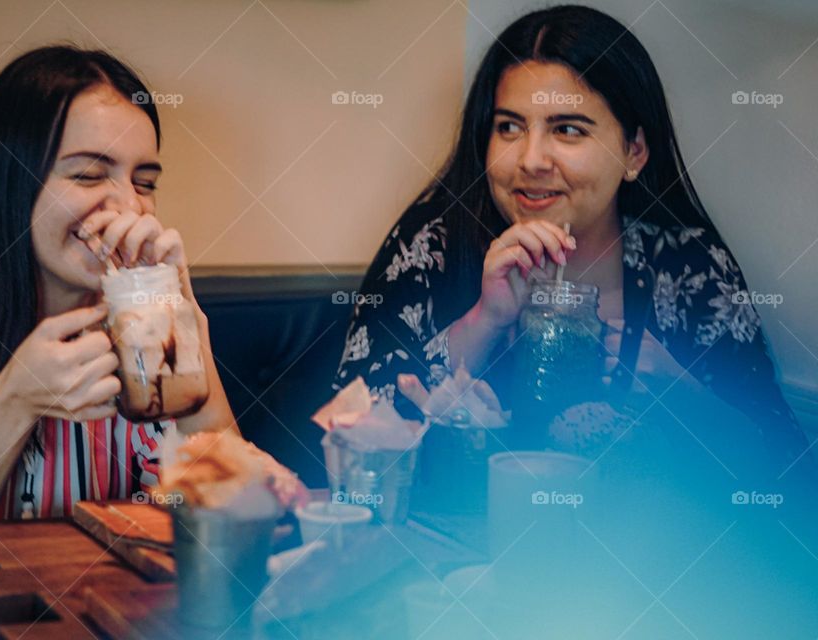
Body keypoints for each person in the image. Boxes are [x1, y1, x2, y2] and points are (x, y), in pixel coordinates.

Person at [334, 5, 812, 474]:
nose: (531, 160)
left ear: (634, 151)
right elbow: (347, 433)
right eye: (509, 127)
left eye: (567, 129)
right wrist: (484, 320)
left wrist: (679, 390)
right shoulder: (431, 244)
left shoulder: (687, 265)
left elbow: (786, 465)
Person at [0, 46, 237, 635]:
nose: (128, 205)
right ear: (7, 180)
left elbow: (228, 538)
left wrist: (186, 335)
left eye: (144, 182)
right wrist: (14, 404)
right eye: (88, 174)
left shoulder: (137, 324)